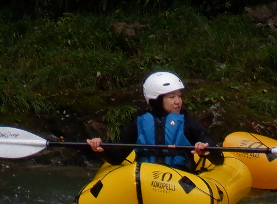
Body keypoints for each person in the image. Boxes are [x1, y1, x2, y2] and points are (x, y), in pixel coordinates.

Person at [85, 72, 224, 172]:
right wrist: (100, 149)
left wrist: (206, 150)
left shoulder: (188, 124)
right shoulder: (139, 124)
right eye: (171, 97)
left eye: (179, 96)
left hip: (181, 181)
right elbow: (117, 158)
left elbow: (219, 159)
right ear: (156, 99)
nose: (178, 101)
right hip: (145, 177)